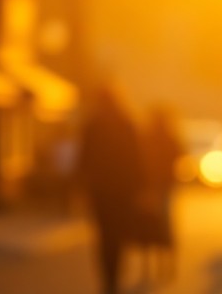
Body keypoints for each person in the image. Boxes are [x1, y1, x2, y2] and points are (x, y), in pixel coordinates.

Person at [78, 85, 145, 294]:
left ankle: (108, 279)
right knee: (118, 235)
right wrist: (140, 187)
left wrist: (80, 185)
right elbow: (138, 160)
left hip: (100, 191)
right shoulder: (127, 123)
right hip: (123, 192)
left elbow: (84, 158)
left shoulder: (93, 124)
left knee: (103, 236)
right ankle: (115, 277)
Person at [138, 104, 183, 284]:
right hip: (165, 186)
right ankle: (167, 264)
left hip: (149, 187)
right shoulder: (170, 137)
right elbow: (180, 155)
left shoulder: (146, 137)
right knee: (165, 225)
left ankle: (147, 267)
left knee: (148, 226)